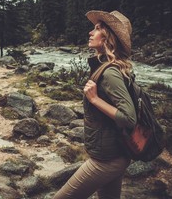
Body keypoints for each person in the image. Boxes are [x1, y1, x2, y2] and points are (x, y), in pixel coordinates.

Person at [53, 10, 137, 199]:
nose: (91, 33)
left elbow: (129, 117)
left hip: (107, 160)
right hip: (115, 153)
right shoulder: (106, 67)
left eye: (97, 29)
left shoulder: (110, 73)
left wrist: (94, 100)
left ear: (109, 37)